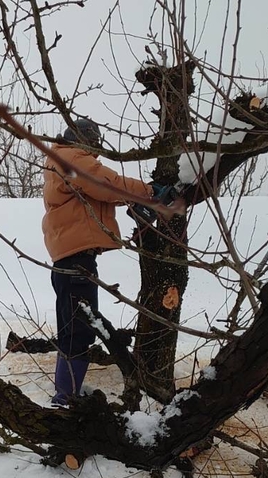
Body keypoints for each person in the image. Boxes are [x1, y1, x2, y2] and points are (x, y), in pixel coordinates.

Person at [41, 117, 183, 406]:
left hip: (69, 257)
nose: (98, 148)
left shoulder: (61, 159)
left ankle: (66, 392)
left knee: (72, 327)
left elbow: (102, 193)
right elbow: (106, 184)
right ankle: (65, 397)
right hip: (77, 259)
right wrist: (150, 192)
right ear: (86, 140)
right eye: (95, 142)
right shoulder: (72, 158)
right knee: (79, 328)